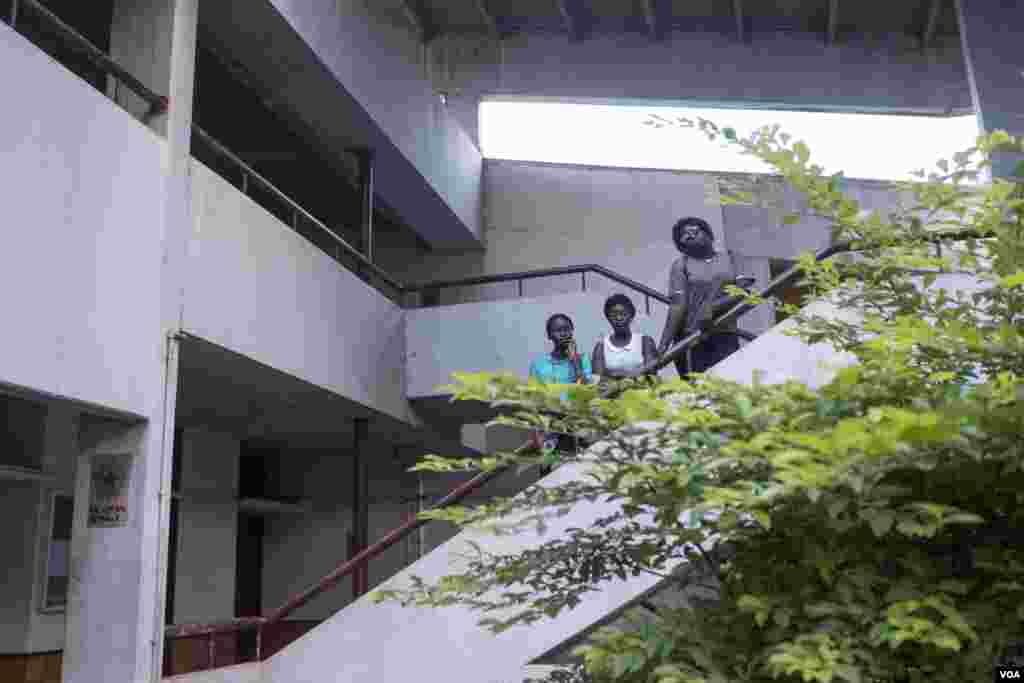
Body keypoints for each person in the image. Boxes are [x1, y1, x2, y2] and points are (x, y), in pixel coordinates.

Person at [658, 216, 745, 377]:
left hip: (724, 332)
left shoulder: (731, 257)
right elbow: (677, 306)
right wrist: (663, 345)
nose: (690, 235)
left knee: (728, 383)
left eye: (694, 231)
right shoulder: (681, 265)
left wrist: (713, 307)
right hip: (691, 337)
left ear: (708, 234)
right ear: (681, 245)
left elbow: (743, 291)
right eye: (684, 235)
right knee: (698, 387)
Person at [528, 313, 592, 455]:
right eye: (558, 330)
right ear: (549, 336)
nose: (563, 334)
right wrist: (536, 434)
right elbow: (533, 402)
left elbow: (586, 391)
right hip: (550, 429)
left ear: (572, 331)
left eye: (567, 329)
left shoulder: (583, 360)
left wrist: (575, 361)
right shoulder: (538, 364)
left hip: (577, 426)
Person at [592, 293, 658, 380]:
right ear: (608, 318)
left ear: (631, 315)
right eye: (614, 315)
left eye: (623, 314)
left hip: (642, 388)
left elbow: (651, 373)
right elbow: (597, 378)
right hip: (611, 388)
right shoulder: (601, 346)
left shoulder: (645, 341)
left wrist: (621, 376)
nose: (619, 318)